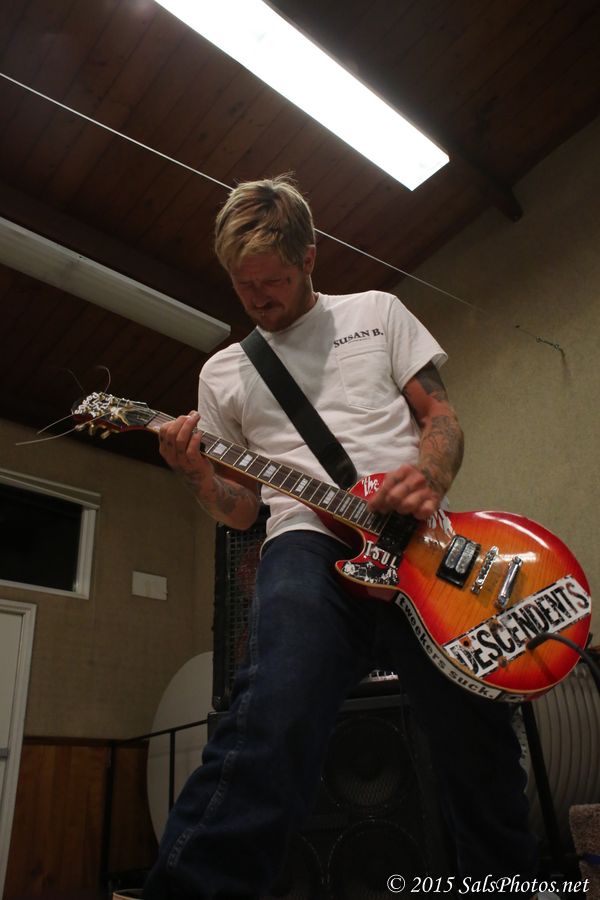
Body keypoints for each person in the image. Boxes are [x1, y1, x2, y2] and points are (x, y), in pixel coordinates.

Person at [141, 175, 538, 899]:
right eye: (243, 284)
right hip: (307, 543)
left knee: (476, 737)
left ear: (310, 258)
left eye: (273, 281)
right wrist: (198, 478)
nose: (258, 298)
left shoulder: (377, 312)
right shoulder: (223, 373)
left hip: (421, 541)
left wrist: (429, 477)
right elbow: (243, 512)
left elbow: (440, 418)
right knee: (274, 708)